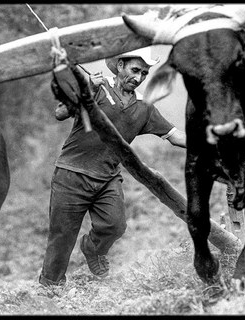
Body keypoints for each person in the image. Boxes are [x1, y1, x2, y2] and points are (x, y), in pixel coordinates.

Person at [39, 47, 186, 287]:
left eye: (144, 74)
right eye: (135, 70)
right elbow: (60, 112)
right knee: (62, 236)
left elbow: (174, 135)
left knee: (115, 225)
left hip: (107, 178)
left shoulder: (144, 108)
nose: (138, 78)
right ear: (119, 66)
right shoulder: (96, 89)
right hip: (71, 173)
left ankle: (93, 249)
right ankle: (50, 286)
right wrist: (88, 89)